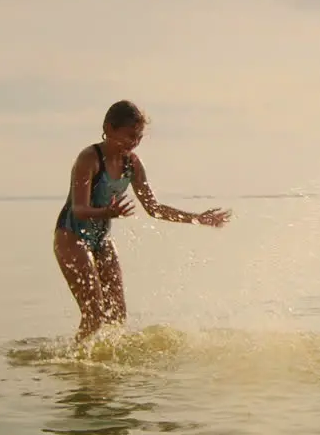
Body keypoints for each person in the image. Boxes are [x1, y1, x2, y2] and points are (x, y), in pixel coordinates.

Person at [53, 100, 232, 342]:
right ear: (109, 128)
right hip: (71, 238)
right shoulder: (89, 158)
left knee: (117, 315)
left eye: (138, 137)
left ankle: (103, 371)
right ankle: (76, 367)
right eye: (129, 136)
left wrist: (197, 219)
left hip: (100, 239)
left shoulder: (132, 164)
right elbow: (79, 209)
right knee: (93, 314)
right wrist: (107, 212)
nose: (133, 143)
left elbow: (154, 209)